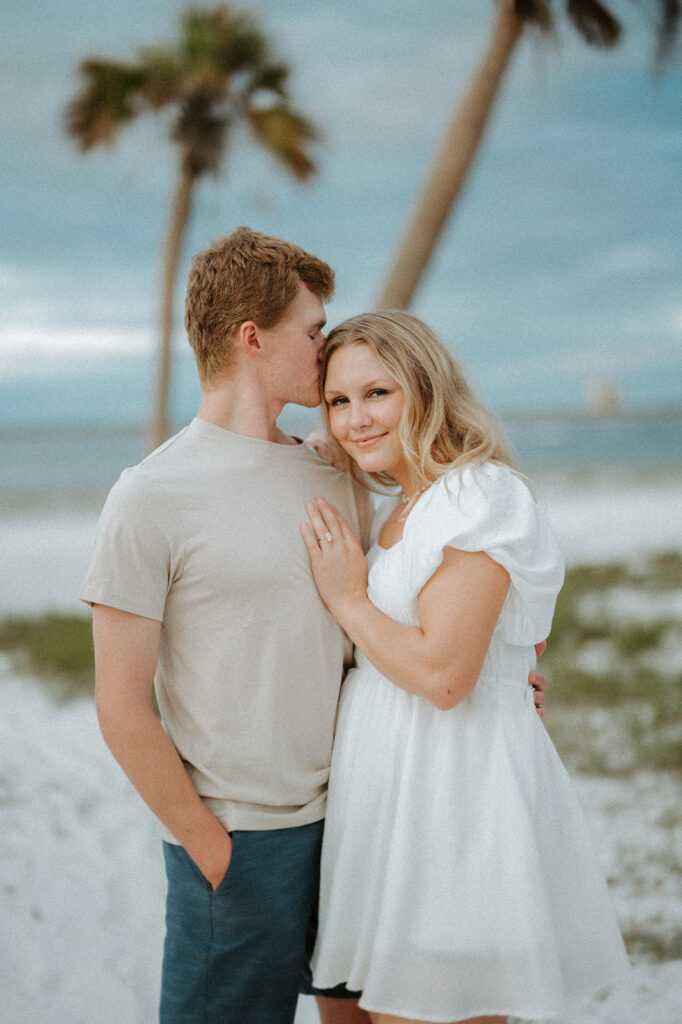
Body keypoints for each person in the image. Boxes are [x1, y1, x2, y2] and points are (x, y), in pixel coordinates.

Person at [80, 228, 547, 1024]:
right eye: (312, 329)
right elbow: (122, 707)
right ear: (252, 339)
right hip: (242, 845)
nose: (324, 346)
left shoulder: (335, 471)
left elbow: (422, 596)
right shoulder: (149, 496)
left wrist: (509, 671)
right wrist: (211, 850)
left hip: (364, 823)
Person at [301, 311, 631, 1024]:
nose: (355, 419)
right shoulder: (397, 508)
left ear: (425, 389)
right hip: (379, 804)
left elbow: (446, 678)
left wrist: (349, 600)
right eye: (337, 401)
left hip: (450, 803)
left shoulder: (478, 495)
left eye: (377, 394)